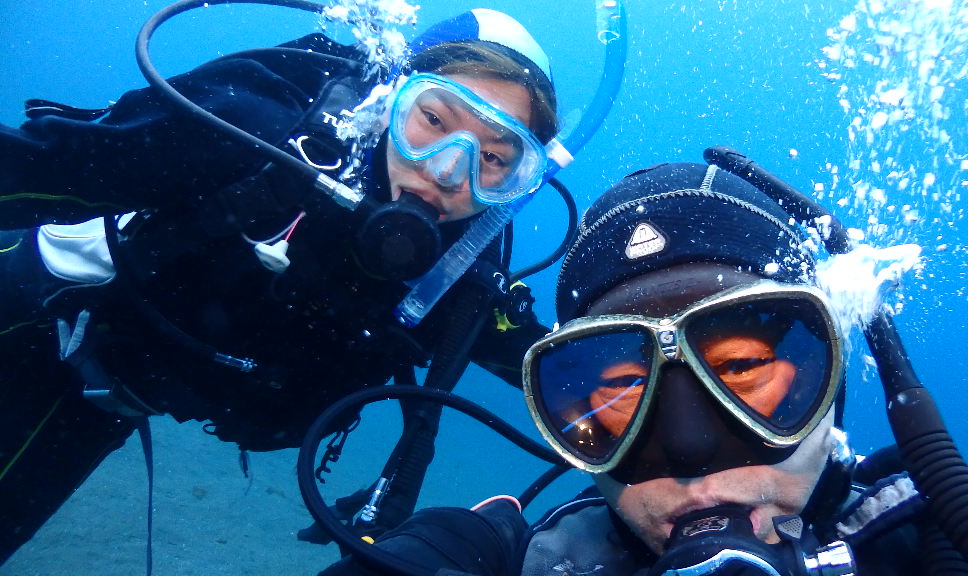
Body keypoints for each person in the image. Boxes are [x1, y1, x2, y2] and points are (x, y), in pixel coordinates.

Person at [0, 7, 563, 564]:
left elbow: (566, 374)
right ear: (391, 96)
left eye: (493, 157)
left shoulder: (452, 278)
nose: (446, 171)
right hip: (35, 316)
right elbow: (33, 165)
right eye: (434, 120)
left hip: (102, 403)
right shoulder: (254, 133)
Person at [322, 157, 968, 576]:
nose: (688, 449)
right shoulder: (529, 561)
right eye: (626, 386)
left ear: (827, 381)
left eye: (741, 366)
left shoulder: (950, 538)